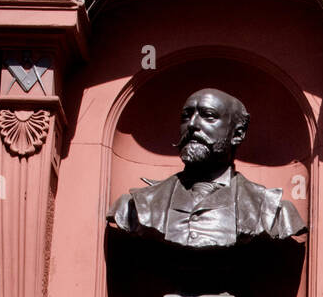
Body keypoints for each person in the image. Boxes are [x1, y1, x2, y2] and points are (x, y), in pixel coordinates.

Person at [107, 88, 307, 249]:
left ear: (237, 133)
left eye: (208, 116)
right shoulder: (136, 206)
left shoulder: (272, 211)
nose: (192, 125)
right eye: (186, 116)